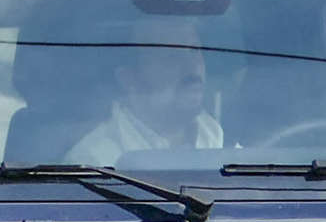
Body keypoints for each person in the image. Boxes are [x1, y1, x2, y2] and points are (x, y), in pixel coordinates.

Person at [66, 22, 224, 163]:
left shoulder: (217, 138)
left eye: (195, 49)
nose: (193, 65)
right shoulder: (93, 163)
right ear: (128, 79)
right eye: (171, 55)